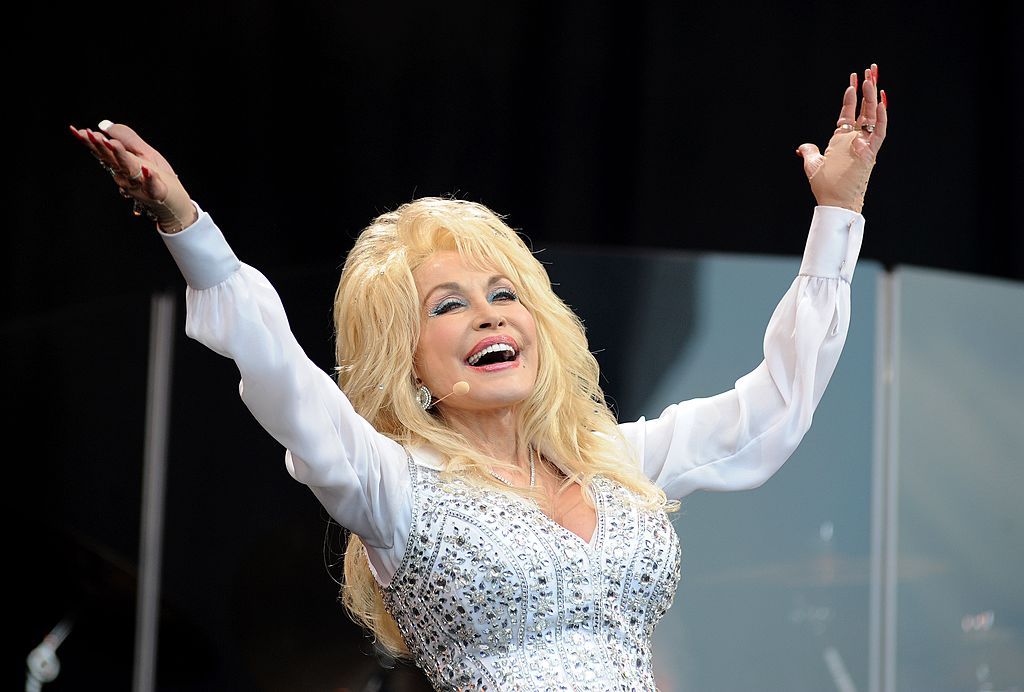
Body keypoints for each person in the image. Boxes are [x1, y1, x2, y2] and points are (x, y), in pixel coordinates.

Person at [70, 63, 887, 691]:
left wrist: (837, 215)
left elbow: (776, 407)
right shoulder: (393, 487)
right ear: (407, 358)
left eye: (504, 295)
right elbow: (281, 375)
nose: (490, 317)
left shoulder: (617, 461)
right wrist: (188, 228)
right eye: (449, 306)